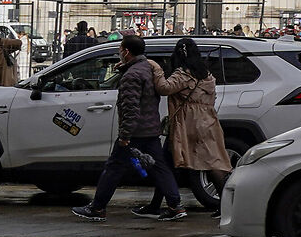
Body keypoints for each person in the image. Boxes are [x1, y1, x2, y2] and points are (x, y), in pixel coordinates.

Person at [74, 34, 178, 222]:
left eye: (121, 49)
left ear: (126, 51)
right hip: (150, 128)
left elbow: (131, 108)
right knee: (159, 167)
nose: (119, 53)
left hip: (135, 132)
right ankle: (175, 204)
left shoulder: (132, 75)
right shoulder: (147, 69)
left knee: (114, 167)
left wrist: (124, 136)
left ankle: (97, 208)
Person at [160, 37, 231, 204]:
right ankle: (226, 204)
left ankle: (165, 205)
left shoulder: (183, 74)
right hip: (208, 121)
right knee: (212, 162)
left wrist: (156, 71)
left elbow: (165, 88)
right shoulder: (207, 75)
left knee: (167, 163)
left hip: (187, 123)